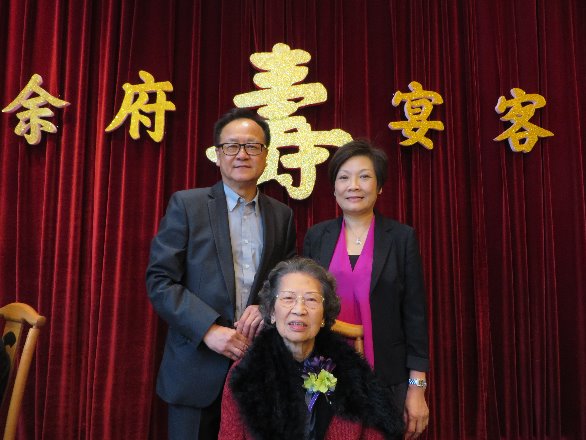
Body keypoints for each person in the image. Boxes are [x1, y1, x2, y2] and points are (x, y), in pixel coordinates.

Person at [146, 108, 296, 439]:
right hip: (195, 368)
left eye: (252, 146)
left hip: (257, 370)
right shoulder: (188, 206)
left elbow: (285, 281)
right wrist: (208, 330)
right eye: (231, 146)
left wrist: (266, 306)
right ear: (217, 154)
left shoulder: (282, 216)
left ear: (266, 156)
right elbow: (160, 280)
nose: (242, 154)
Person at [303, 140, 430, 439]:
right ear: (334, 188)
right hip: (323, 375)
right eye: (344, 177)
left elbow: (415, 317)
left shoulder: (401, 238)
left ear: (380, 186)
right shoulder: (317, 236)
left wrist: (417, 388)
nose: (354, 186)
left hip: (387, 378)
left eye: (364, 176)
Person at [218, 257, 404, 440]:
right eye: (288, 298)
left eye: (311, 299)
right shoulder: (245, 375)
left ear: (323, 315)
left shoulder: (352, 374)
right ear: (272, 312)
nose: (299, 309)